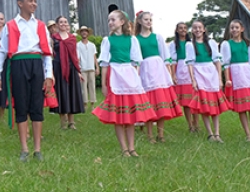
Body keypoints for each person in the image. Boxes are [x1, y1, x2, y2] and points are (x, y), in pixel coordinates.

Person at [0, 0, 55, 162]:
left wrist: (49, 74)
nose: (34, 3)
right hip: (19, 64)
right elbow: (2, 51)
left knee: (36, 105)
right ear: (20, 3)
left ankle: (37, 149)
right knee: (20, 105)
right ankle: (24, 148)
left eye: (35, 1)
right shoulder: (11, 25)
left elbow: (46, 53)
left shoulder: (41, 26)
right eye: (30, 1)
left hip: (36, 64)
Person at [93, 10, 156, 157]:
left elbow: (136, 61)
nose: (110, 23)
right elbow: (104, 64)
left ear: (122, 22)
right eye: (109, 20)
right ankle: (124, 148)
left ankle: (132, 147)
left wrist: (136, 80)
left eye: (113, 19)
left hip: (129, 76)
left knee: (130, 115)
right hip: (115, 76)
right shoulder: (107, 41)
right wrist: (103, 84)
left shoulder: (132, 39)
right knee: (119, 116)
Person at [135, 11, 183, 143]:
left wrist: (169, 74)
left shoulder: (158, 37)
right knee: (149, 103)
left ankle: (161, 134)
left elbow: (165, 56)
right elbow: (136, 58)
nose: (149, 22)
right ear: (139, 21)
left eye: (150, 20)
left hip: (158, 70)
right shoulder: (136, 39)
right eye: (146, 19)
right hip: (145, 70)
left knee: (161, 103)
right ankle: (150, 135)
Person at [222, 19, 250, 141]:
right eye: (232, 28)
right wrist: (227, 79)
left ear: (242, 29)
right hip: (236, 76)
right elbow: (225, 63)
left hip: (248, 74)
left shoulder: (247, 43)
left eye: (236, 27)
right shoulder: (227, 44)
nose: (234, 30)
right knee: (241, 107)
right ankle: (248, 134)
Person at [186, 20, 229, 143]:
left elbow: (217, 61)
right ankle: (210, 133)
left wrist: (220, 79)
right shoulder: (190, 45)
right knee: (204, 105)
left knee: (214, 104)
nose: (197, 30)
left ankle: (217, 133)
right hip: (199, 73)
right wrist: (193, 80)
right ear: (192, 31)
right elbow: (190, 63)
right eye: (195, 28)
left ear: (204, 29)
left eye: (199, 27)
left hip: (211, 73)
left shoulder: (211, 43)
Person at [50, 16, 85, 129]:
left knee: (71, 93)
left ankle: (71, 122)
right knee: (61, 93)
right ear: (57, 25)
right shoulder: (53, 38)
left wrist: (78, 71)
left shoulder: (72, 38)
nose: (63, 24)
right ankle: (63, 122)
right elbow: (50, 55)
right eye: (61, 22)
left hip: (71, 68)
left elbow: (74, 55)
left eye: (65, 22)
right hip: (58, 68)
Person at [169, 22, 199, 132]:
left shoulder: (191, 42)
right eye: (180, 28)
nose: (183, 30)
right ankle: (190, 124)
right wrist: (173, 74)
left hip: (192, 69)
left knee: (195, 98)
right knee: (186, 101)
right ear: (177, 31)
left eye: (185, 28)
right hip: (181, 70)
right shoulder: (173, 44)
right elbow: (172, 60)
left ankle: (197, 123)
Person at [76, 25, 99, 111]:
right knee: (83, 87)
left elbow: (94, 56)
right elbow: (77, 57)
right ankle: (85, 103)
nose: (84, 32)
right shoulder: (78, 45)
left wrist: (97, 67)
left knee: (92, 86)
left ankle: (92, 103)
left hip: (91, 67)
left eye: (85, 31)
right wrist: (78, 69)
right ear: (80, 33)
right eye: (82, 31)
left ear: (88, 33)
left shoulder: (92, 45)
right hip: (83, 68)